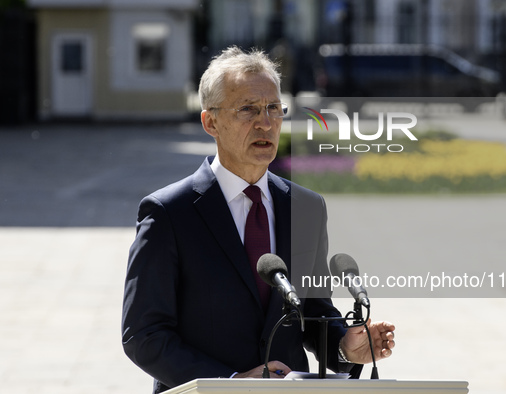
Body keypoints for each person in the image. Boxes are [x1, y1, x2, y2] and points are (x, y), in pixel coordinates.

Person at [121, 46, 395, 394]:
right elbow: (143, 335)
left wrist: (345, 346)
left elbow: (313, 311)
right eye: (247, 109)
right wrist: (231, 384)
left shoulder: (307, 207)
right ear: (211, 122)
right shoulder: (168, 212)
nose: (265, 122)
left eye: (273, 109)